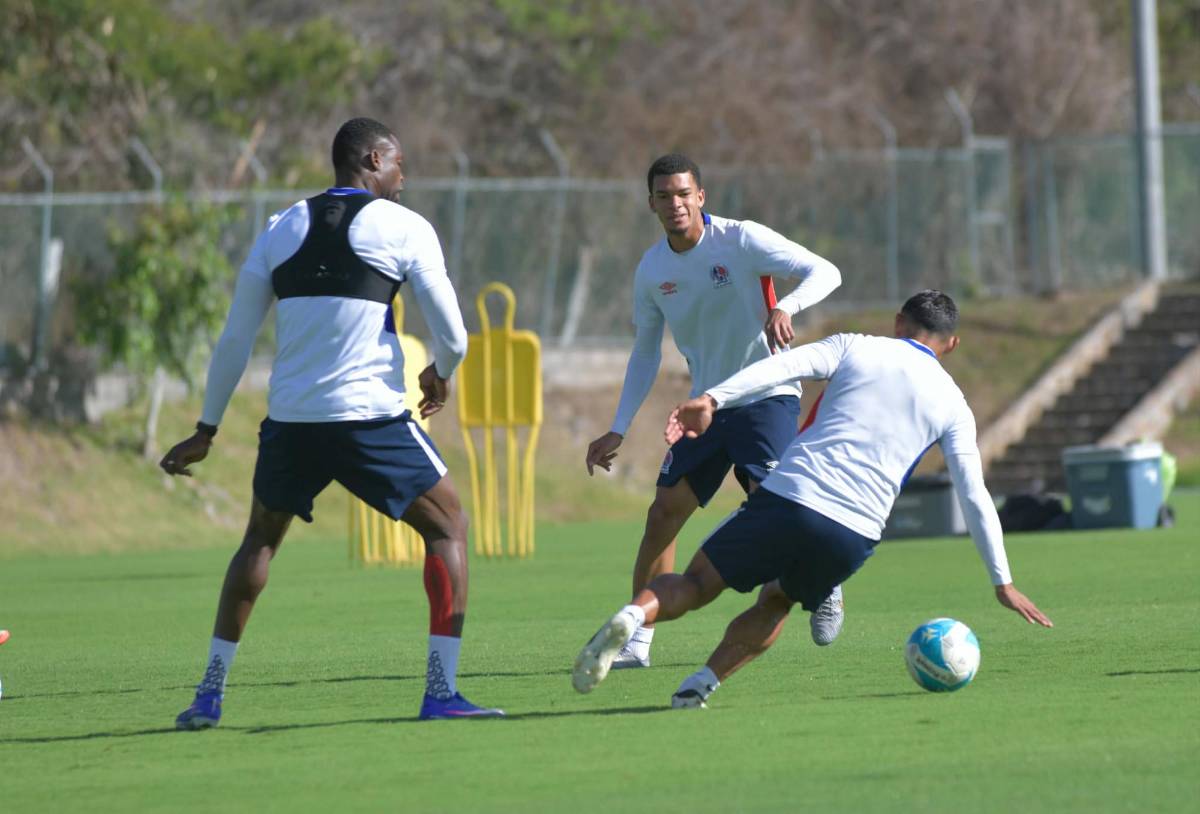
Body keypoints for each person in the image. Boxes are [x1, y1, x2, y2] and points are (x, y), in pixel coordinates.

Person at [162, 117, 503, 728]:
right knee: (449, 525)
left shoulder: (280, 226)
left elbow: (235, 339)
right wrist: (441, 372)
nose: (404, 178)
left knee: (259, 541)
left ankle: (209, 695)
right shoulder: (404, 227)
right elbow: (452, 334)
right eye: (399, 164)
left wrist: (207, 430)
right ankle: (442, 691)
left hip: (291, 422)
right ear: (373, 159)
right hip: (369, 418)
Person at [573, 290, 1053, 707]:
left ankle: (635, 615)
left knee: (696, 585)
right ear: (952, 344)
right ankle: (700, 684)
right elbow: (973, 493)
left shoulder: (855, 347)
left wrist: (713, 399)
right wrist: (1002, 581)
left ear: (898, 324)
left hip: (791, 496)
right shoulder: (954, 404)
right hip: (855, 531)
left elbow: (780, 367)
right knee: (777, 602)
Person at [583, 153, 843, 668]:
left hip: (768, 395)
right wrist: (618, 427)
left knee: (779, 514)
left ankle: (825, 580)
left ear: (701, 196)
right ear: (651, 203)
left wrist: (786, 306)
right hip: (707, 406)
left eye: (684, 194)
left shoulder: (740, 240)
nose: (675, 204)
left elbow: (826, 270)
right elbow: (645, 352)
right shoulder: (652, 270)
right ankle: (638, 641)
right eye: (664, 196)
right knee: (662, 514)